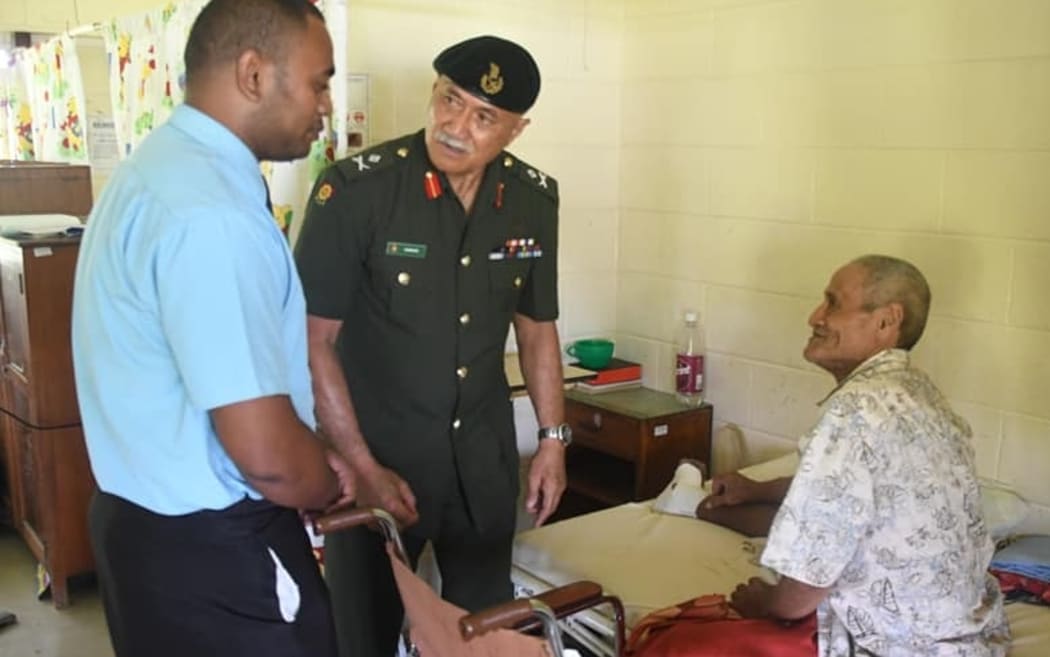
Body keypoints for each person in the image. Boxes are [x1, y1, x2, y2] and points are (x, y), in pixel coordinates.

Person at [70, 2, 351, 656]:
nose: (326, 106)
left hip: (138, 531)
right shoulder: (212, 215)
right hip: (218, 558)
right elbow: (268, 458)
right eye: (318, 82)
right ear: (254, 74)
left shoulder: (152, 171)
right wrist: (325, 477)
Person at [295, 35, 569, 657]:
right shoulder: (357, 191)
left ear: (515, 130)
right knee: (362, 632)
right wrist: (361, 468)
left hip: (482, 465)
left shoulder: (532, 199)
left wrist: (553, 439)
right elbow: (313, 342)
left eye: (483, 117)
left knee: (485, 634)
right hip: (377, 462)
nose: (455, 125)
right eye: (450, 99)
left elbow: (536, 326)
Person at [699, 255, 1010, 656]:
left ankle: (703, 511)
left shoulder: (854, 410)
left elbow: (797, 600)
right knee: (755, 518)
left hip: (899, 645)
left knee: (677, 643)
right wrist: (757, 488)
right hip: (971, 636)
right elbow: (855, 495)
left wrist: (763, 602)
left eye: (832, 303)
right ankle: (709, 510)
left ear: (886, 322)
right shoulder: (921, 392)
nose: (815, 316)